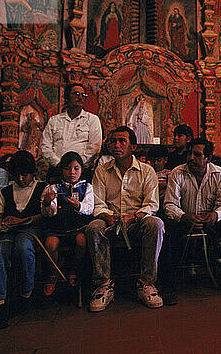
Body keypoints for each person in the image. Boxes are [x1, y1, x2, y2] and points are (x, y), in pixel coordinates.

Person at [86, 126, 164, 311]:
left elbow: (151, 204)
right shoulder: (102, 171)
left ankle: (146, 283)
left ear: (133, 147)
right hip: (110, 221)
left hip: (137, 221)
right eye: (113, 141)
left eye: (122, 141)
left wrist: (133, 217)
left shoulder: (147, 171)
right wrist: (107, 216)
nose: (116, 145)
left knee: (156, 224)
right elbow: (97, 203)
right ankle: (103, 284)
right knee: (93, 227)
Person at [163, 138, 221, 300]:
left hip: (210, 220)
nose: (191, 158)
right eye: (190, 153)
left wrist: (215, 215)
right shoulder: (177, 173)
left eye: (197, 154)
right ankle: (168, 285)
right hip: (185, 219)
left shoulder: (219, 173)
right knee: (167, 227)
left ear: (208, 158)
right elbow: (169, 205)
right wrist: (183, 216)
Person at [0, 151, 51, 329]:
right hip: (8, 231)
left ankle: (25, 294)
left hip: (30, 229)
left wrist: (21, 221)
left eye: (25, 174)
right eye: (17, 175)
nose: (22, 178)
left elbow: (43, 216)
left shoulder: (43, 188)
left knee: (23, 248)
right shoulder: (6, 191)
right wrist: (1, 223)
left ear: (33, 173)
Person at [42, 152, 94, 296]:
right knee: (50, 244)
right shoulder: (53, 188)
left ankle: (75, 269)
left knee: (82, 241)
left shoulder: (87, 187)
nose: (72, 172)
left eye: (76, 168)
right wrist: (47, 202)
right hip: (57, 227)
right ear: (61, 170)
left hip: (78, 227)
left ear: (81, 170)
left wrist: (79, 206)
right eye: (67, 168)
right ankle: (53, 272)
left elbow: (90, 209)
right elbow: (48, 213)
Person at [40, 83, 102, 182]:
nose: (80, 97)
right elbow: (45, 146)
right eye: (76, 94)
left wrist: (77, 166)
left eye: (83, 95)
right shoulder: (54, 120)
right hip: (56, 170)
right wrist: (59, 164)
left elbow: (94, 148)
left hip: (81, 172)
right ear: (67, 97)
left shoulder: (92, 119)